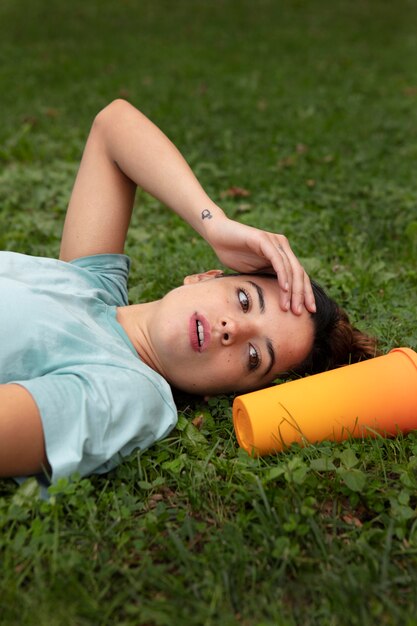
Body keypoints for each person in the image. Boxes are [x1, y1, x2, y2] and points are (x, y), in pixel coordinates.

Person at [0, 99, 378, 483]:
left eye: (253, 357)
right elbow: (112, 127)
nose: (234, 329)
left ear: (224, 392)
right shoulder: (93, 285)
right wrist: (214, 224)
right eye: (246, 300)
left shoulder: (129, 392)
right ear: (203, 276)